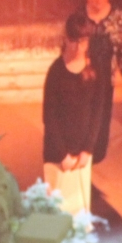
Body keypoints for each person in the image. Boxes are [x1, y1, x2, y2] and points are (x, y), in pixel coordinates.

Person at [72, 0, 122, 166]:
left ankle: (97, 153)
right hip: (84, 76)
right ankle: (82, 148)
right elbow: (70, 48)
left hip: (106, 77)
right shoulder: (79, 15)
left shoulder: (117, 16)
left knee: (102, 115)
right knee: (83, 114)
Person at [42, 14, 101, 216]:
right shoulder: (56, 72)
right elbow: (49, 117)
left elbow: (97, 112)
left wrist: (88, 149)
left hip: (82, 154)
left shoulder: (94, 71)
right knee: (57, 214)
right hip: (58, 155)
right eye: (74, 41)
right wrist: (62, 154)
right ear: (66, 39)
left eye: (83, 41)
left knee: (79, 215)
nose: (78, 47)